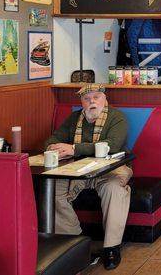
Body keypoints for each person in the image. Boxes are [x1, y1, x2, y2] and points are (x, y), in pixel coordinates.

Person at [44, 84, 130, 270]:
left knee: (114, 189)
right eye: (87, 98)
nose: (92, 102)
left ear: (104, 99)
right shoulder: (74, 118)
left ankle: (111, 248)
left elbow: (112, 145)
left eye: (96, 97)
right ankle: (76, 245)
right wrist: (55, 148)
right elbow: (52, 140)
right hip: (78, 170)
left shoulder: (117, 118)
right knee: (52, 191)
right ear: (81, 102)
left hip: (112, 169)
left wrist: (74, 148)